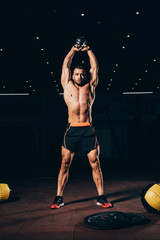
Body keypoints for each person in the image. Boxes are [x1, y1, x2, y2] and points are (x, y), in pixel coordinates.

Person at [50, 42, 112, 209]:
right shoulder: (66, 84)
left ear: (86, 76)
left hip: (87, 129)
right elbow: (65, 65)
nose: (79, 76)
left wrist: (89, 50)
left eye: (82, 74)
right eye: (76, 74)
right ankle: (58, 198)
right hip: (72, 129)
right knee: (65, 163)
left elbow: (95, 67)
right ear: (73, 75)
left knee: (95, 162)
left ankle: (101, 196)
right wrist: (73, 50)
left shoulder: (90, 87)